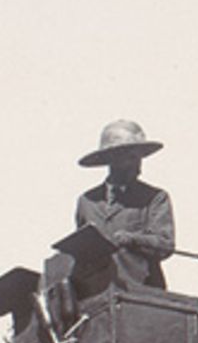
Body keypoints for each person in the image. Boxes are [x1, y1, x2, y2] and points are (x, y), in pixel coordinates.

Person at [73, 120, 175, 290]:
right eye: (129, 156)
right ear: (111, 159)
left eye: (138, 157)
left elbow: (165, 245)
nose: (136, 163)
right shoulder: (87, 201)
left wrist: (132, 239)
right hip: (97, 295)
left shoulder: (155, 197)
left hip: (142, 296)